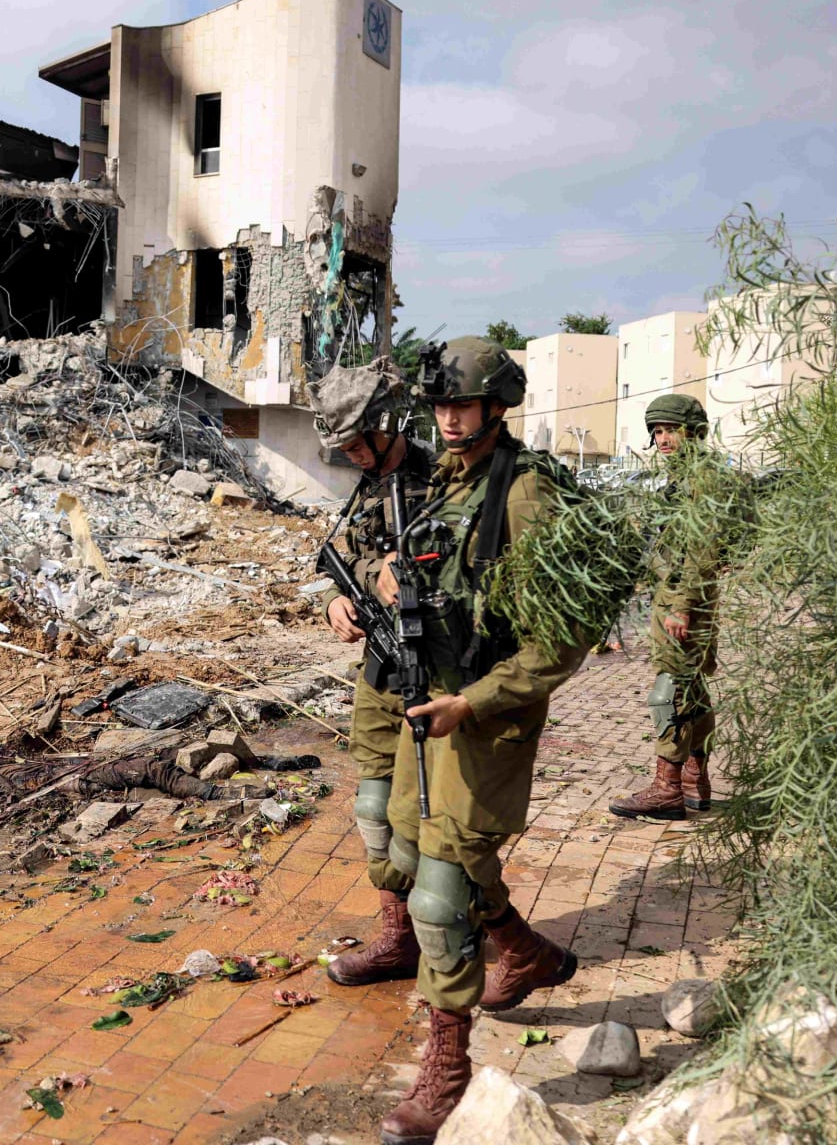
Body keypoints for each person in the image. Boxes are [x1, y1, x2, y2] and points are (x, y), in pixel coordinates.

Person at [368, 337, 590, 1145]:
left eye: (462, 403)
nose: (449, 418)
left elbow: (564, 635)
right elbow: (412, 567)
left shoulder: (527, 494)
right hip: (429, 705)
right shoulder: (440, 482)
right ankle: (523, 951)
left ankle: (447, 1069)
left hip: (485, 715)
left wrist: (476, 701)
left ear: (497, 405)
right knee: (412, 848)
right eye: (440, 405)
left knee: (438, 895)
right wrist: (385, 574)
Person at [310, 360, 437, 986]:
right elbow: (354, 564)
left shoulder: (442, 484)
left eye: (358, 443)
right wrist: (335, 601)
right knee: (374, 807)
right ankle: (397, 937)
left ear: (388, 425)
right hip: (380, 671)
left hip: (435, 675)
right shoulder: (367, 487)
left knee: (428, 817)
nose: (352, 455)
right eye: (344, 447)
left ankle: (468, 928)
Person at [611, 394, 719, 821]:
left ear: (694, 432)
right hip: (675, 597)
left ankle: (667, 789)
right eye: (657, 431)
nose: (663, 438)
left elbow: (704, 549)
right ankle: (694, 779)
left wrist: (683, 605)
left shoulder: (703, 479)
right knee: (694, 691)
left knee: (668, 694)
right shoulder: (685, 477)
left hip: (684, 600)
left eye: (671, 429)